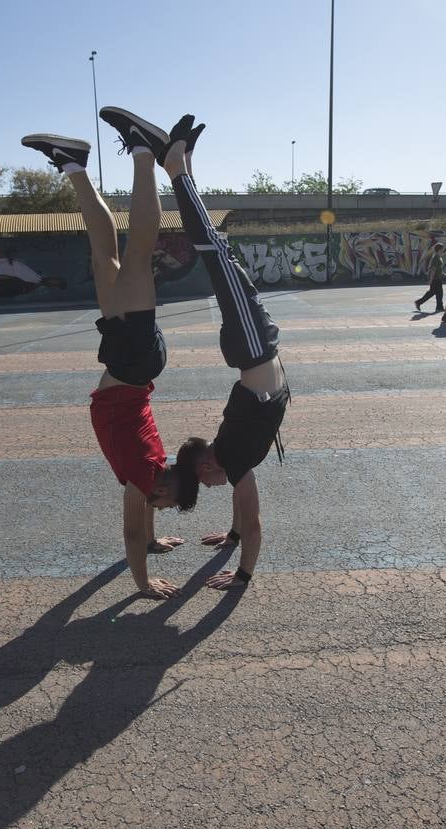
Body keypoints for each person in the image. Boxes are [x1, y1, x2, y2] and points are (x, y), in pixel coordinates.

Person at [21, 106, 186, 600]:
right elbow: (131, 531)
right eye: (166, 503)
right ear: (163, 486)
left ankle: (73, 163)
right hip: (132, 360)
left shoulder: (153, 472)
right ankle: (144, 151)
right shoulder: (144, 475)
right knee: (138, 252)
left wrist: (153, 542)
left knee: (104, 256)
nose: (157, 507)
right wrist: (142, 583)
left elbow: (145, 522)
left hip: (129, 361)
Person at [166, 114, 288, 592]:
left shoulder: (232, 458)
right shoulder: (231, 457)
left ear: (206, 468)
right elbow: (243, 509)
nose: (213, 488)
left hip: (254, 346)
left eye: (205, 484)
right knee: (218, 253)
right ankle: (185, 164)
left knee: (214, 251)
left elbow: (254, 522)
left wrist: (242, 575)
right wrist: (232, 536)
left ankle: (177, 168)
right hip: (256, 346)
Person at [414, 241, 446, 313]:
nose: (443, 250)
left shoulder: (439, 257)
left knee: (438, 293)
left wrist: (443, 273)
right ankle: (419, 302)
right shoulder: (435, 258)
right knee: (433, 293)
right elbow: (433, 269)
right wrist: (431, 280)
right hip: (435, 279)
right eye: (442, 249)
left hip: (438, 278)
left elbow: (438, 268)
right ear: (439, 249)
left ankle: (439, 307)